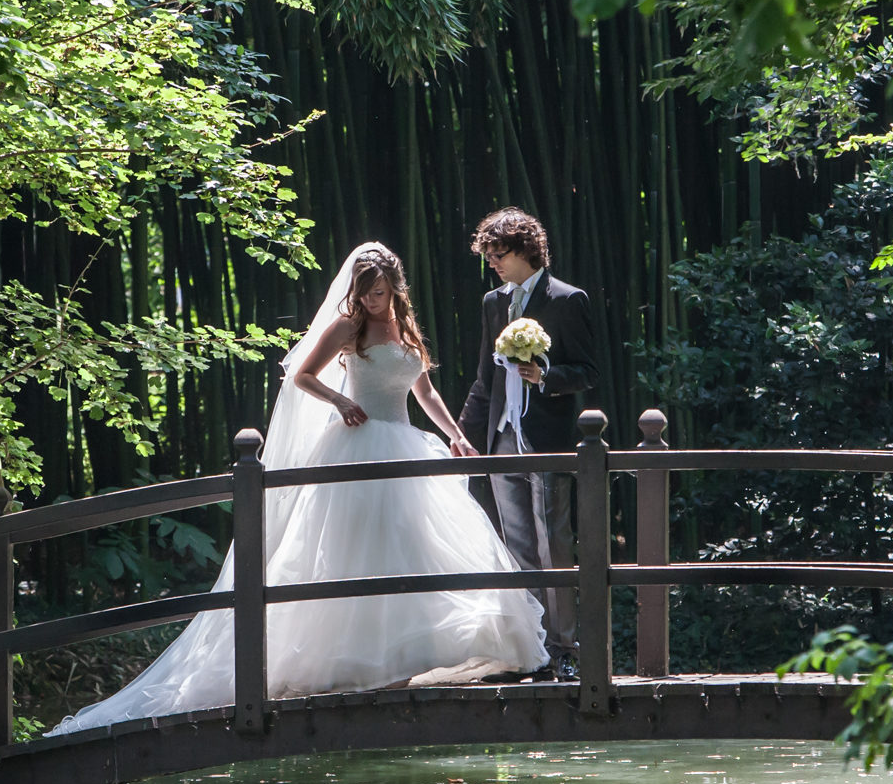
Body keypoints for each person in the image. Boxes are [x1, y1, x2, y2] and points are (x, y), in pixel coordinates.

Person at [47, 243, 547, 735]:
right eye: (366, 292)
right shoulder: (348, 326)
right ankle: (355, 663)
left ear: (395, 288)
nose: (373, 301)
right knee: (356, 552)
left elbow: (423, 389)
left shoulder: (405, 326)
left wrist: (454, 434)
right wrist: (339, 400)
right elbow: (303, 374)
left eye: (381, 292)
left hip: (406, 446)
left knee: (413, 548)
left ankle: (406, 659)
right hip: (358, 444)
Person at [456, 208, 598, 676]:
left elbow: (587, 372)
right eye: (488, 255)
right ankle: (532, 648)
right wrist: (464, 434)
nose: (493, 262)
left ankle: (567, 651)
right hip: (502, 437)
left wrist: (545, 376)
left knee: (553, 542)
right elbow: (483, 378)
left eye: (498, 253)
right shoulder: (492, 303)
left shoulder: (566, 299)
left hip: (545, 437)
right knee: (515, 544)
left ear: (525, 250)